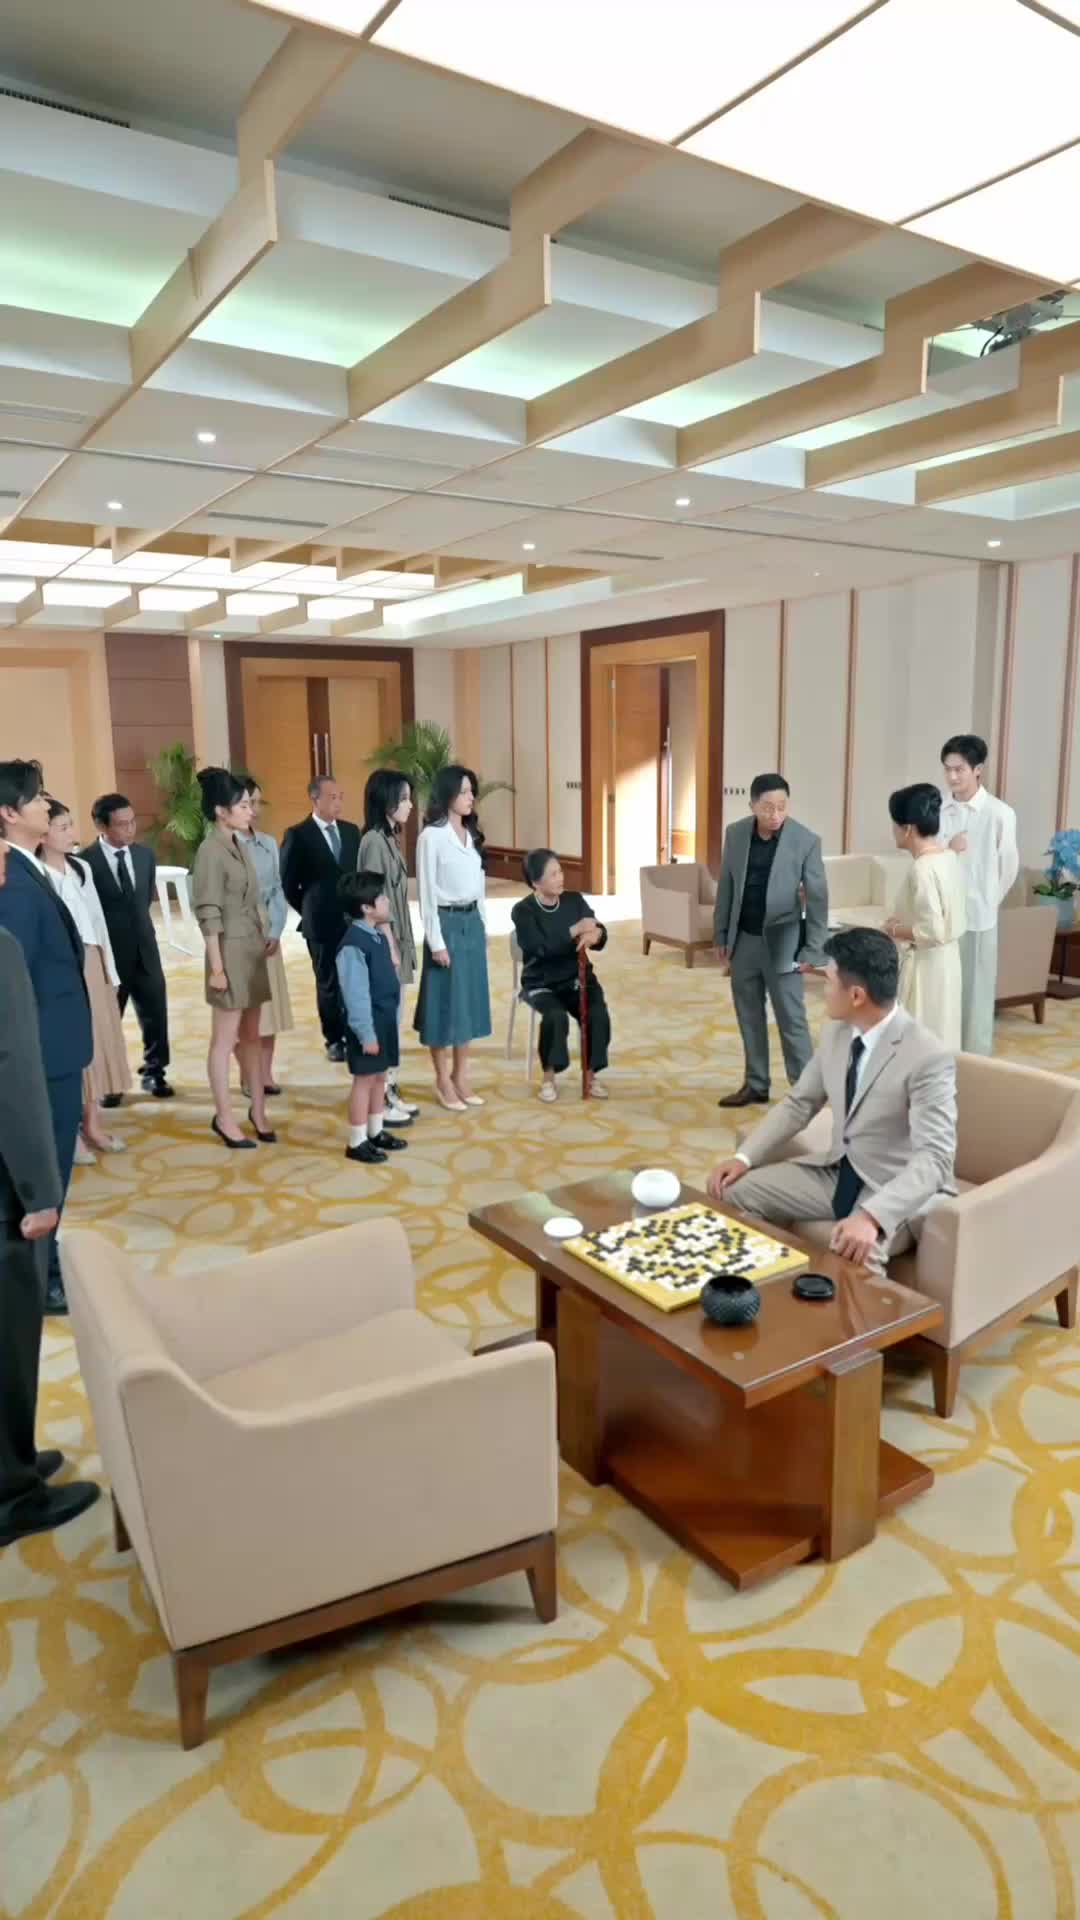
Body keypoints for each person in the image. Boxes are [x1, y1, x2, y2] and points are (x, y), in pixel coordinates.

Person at [707, 927, 956, 1275]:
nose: (823, 989)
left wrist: (872, 1216)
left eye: (829, 980)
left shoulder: (927, 1056)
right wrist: (743, 1157)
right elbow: (799, 1103)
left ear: (856, 995)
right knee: (732, 1191)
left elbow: (935, 1158)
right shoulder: (836, 1032)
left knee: (858, 1249)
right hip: (838, 1172)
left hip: (892, 1186)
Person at [0, 896, 100, 1548]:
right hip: (5, 1190)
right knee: (8, 1337)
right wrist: (40, 1190)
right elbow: (13, 1074)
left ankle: (12, 1455)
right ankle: (11, 1493)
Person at [0, 760, 93, 1315]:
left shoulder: (26, 867)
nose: (45, 805)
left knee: (53, 1164)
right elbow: (15, 985)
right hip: (41, 1054)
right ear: (9, 813)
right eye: (36, 798)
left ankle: (44, 1267)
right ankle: (41, 1278)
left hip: (55, 1046)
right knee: (43, 1170)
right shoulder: (11, 882)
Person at [714, 773, 829, 1108]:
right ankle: (756, 1084)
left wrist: (813, 950)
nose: (775, 814)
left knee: (791, 1019)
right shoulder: (735, 834)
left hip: (784, 942)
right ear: (752, 805)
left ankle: (806, 1095)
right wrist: (721, 933)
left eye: (781, 807)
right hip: (744, 940)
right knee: (748, 1015)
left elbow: (818, 899)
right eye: (767, 808)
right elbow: (727, 885)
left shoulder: (806, 841)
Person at [41, 798, 132, 1159]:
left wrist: (110, 970)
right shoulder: (35, 875)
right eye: (62, 827)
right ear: (42, 832)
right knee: (70, 1046)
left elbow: (97, 921)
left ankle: (93, 1125)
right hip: (63, 966)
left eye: (70, 825)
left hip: (93, 960)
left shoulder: (80, 868)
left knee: (97, 1042)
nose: (72, 834)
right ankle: (71, 1133)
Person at [190, 769, 274, 1149]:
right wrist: (217, 968)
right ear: (221, 811)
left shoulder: (238, 843)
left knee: (252, 1037)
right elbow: (208, 913)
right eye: (242, 806)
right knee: (224, 1041)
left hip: (251, 949)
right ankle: (224, 1117)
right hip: (227, 953)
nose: (250, 811)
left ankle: (258, 1109)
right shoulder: (210, 851)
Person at [81, 793, 173, 1100]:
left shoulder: (145, 856)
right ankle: (110, 1082)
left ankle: (155, 1072)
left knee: (156, 1013)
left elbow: (143, 901)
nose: (130, 829)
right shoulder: (84, 863)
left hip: (145, 950)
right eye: (121, 824)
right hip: (109, 955)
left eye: (132, 822)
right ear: (101, 825)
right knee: (109, 1020)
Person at [413, 766, 491, 1112]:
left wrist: (483, 926)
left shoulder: (471, 834)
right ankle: (442, 1079)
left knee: (468, 1003)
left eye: (472, 791)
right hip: (445, 924)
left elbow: (480, 887)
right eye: (464, 791)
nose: (471, 797)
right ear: (447, 795)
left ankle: (461, 1075)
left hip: (471, 923)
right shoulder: (431, 837)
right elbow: (427, 894)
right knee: (443, 1005)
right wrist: (436, 941)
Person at [939, 733, 1019, 1056]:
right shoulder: (938, 809)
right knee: (944, 994)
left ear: (977, 770)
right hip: (941, 916)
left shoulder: (1000, 813)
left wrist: (987, 901)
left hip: (978, 919)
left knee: (977, 996)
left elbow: (1008, 868)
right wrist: (948, 847)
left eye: (959, 769)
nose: (952, 776)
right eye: (947, 769)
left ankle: (976, 1063)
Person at [511, 849, 611, 1103]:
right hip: (541, 982)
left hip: (576, 978)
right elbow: (539, 948)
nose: (560, 878)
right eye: (553, 874)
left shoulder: (573, 900)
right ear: (536, 882)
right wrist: (574, 929)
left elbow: (596, 928)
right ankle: (548, 1077)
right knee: (555, 1017)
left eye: (560, 871)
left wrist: (596, 934)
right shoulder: (523, 911)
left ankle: (591, 1074)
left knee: (597, 1013)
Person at [280, 776, 361, 1062]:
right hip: (320, 922)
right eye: (331, 797)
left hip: (352, 920)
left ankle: (354, 1034)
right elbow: (288, 883)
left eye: (340, 796)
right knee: (328, 983)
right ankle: (334, 1039)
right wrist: (309, 908)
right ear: (314, 799)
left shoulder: (351, 832)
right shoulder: (298, 835)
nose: (338, 802)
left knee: (353, 980)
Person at [884, 784, 967, 1051]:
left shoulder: (922, 869)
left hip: (926, 967)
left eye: (894, 824)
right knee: (942, 1034)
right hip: (948, 962)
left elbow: (932, 931)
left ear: (907, 828)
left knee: (920, 1041)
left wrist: (894, 929)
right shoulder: (948, 858)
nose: (892, 830)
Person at [336, 871, 411, 1166]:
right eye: (381, 897)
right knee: (364, 1080)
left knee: (380, 1076)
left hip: (383, 1019)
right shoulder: (354, 944)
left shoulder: (376, 935)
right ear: (366, 907)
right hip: (366, 1024)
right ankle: (356, 1141)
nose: (387, 900)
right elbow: (355, 995)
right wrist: (366, 1033)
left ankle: (375, 1131)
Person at [358, 769, 419, 1127]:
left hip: (396, 941)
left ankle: (389, 1088)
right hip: (384, 945)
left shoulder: (388, 838)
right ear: (386, 801)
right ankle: (379, 1099)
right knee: (384, 1021)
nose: (410, 805)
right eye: (404, 798)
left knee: (393, 1020)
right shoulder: (373, 843)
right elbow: (374, 901)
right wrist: (392, 947)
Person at [236, 776, 293, 1098]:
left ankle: (266, 1074)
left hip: (267, 931)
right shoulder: (221, 847)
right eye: (249, 803)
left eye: (258, 802)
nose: (255, 810)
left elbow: (277, 891)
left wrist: (274, 930)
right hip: (237, 933)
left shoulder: (269, 843)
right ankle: (248, 1075)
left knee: (270, 1010)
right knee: (244, 1012)